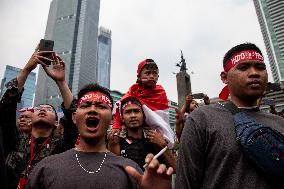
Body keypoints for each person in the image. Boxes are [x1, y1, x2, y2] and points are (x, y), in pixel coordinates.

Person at [176, 42, 284, 188]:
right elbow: (186, 183)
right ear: (224, 77)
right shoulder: (202, 119)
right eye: (243, 67)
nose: (254, 73)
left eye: (260, 67)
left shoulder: (280, 123)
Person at [26, 83, 173, 189]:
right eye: (85, 105)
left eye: (101, 106)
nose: (92, 110)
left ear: (111, 119)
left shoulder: (131, 170)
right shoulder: (45, 167)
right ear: (74, 117)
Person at [3, 47, 77, 189]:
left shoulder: (61, 147)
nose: (42, 109)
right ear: (31, 118)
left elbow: (74, 118)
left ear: (56, 122)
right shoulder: (15, 139)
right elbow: (7, 107)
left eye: (49, 109)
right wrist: (26, 70)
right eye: (38, 108)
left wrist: (61, 82)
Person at [112, 59, 174, 148]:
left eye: (155, 73)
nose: (152, 76)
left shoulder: (160, 92)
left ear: (158, 76)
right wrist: (116, 125)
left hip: (156, 137)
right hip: (134, 135)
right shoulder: (133, 90)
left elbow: (162, 120)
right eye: (147, 73)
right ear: (139, 76)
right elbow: (119, 105)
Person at [108, 96, 176, 171]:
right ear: (122, 118)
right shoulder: (117, 141)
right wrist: (113, 145)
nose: (133, 115)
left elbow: (176, 169)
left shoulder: (155, 140)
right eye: (128, 112)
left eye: (136, 111)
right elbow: (113, 171)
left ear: (144, 116)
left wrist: (163, 146)